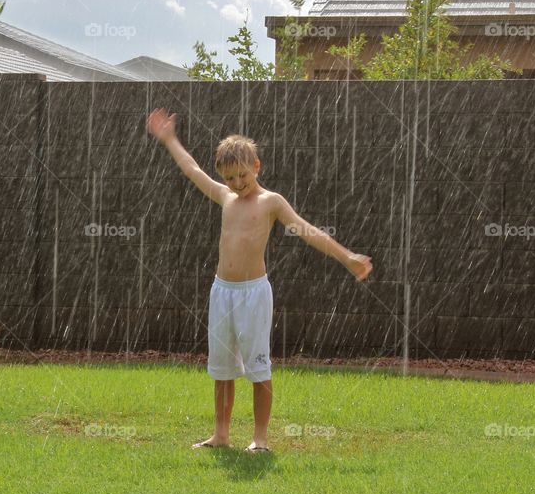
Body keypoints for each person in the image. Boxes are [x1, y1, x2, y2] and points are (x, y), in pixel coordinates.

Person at [146, 107, 373, 453]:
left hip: (254, 294)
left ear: (256, 167)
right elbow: (192, 170)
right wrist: (170, 139)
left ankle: (260, 439)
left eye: (242, 176)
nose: (237, 184)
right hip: (222, 291)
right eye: (229, 178)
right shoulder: (225, 196)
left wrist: (347, 257)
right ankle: (221, 434)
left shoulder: (271, 202)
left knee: (257, 365)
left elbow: (307, 231)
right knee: (221, 368)